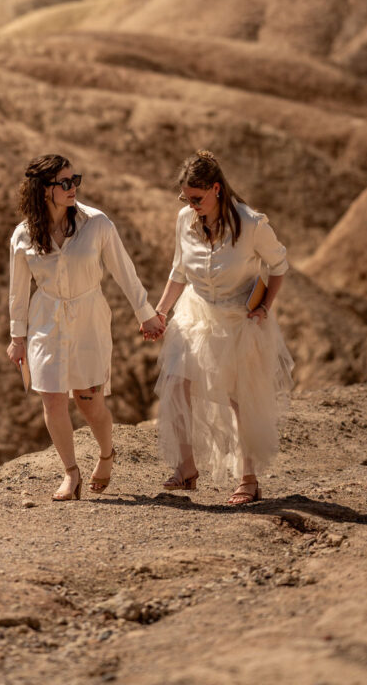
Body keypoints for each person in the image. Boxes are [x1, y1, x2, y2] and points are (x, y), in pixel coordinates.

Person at [7, 154, 164, 501]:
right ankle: (71, 473)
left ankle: (107, 455)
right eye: (64, 183)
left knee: (88, 402)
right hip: (46, 320)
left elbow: (124, 271)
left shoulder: (97, 224)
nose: (73, 187)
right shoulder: (23, 235)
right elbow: (18, 291)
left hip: (89, 319)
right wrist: (17, 337)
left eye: (75, 179)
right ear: (44, 189)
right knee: (52, 399)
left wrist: (146, 313)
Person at [153, 150, 293, 505]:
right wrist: (160, 312)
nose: (191, 204)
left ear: (216, 189)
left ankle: (248, 478)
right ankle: (186, 469)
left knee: (238, 398)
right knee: (174, 383)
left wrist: (264, 306)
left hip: (239, 320)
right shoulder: (185, 220)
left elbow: (279, 265)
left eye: (197, 198)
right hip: (195, 315)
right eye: (186, 198)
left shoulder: (251, 224)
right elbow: (178, 272)